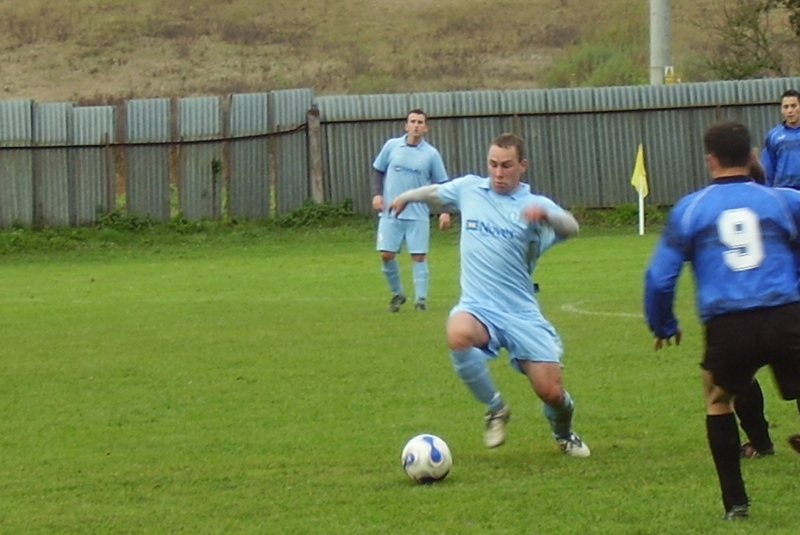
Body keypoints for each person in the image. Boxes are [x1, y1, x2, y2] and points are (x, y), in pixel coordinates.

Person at [388, 133, 590, 457]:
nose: (498, 173)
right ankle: (495, 408)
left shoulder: (533, 205)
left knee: (551, 392)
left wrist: (547, 217)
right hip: (478, 305)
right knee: (457, 333)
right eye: (493, 164)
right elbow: (436, 193)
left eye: (507, 165)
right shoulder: (470, 189)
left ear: (522, 166)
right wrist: (407, 197)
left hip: (521, 312)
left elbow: (572, 227)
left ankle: (563, 433)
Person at [644, 120, 800, 520]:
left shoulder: (691, 208)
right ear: (751, 156)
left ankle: (736, 504)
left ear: (709, 159)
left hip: (729, 326)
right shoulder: (785, 201)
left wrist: (663, 324)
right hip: (785, 315)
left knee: (718, 399)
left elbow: (659, 278)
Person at [372, 109, 450, 313]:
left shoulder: (431, 154)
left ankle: (421, 301)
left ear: (426, 127)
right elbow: (378, 170)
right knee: (386, 254)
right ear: (406, 125)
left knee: (418, 256)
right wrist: (377, 194)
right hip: (391, 213)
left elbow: (441, 184)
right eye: (412, 121)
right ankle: (397, 293)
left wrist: (444, 210)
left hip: (417, 214)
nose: (416, 125)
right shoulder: (392, 146)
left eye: (420, 122)